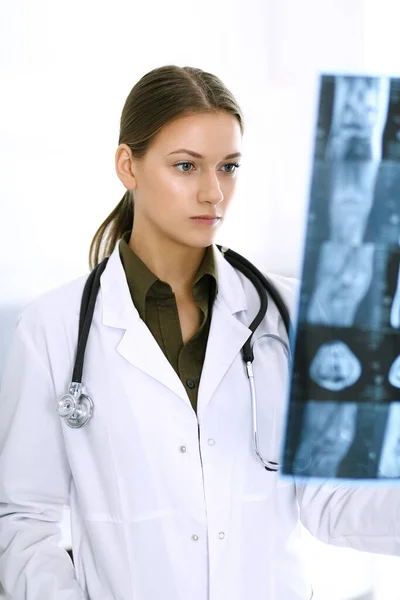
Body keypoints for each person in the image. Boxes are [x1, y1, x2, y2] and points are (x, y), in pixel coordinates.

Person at [0, 64, 400, 600]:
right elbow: (25, 520)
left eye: (229, 167)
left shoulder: (295, 312)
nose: (214, 193)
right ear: (128, 165)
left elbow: (329, 501)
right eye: (186, 166)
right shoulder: (51, 329)